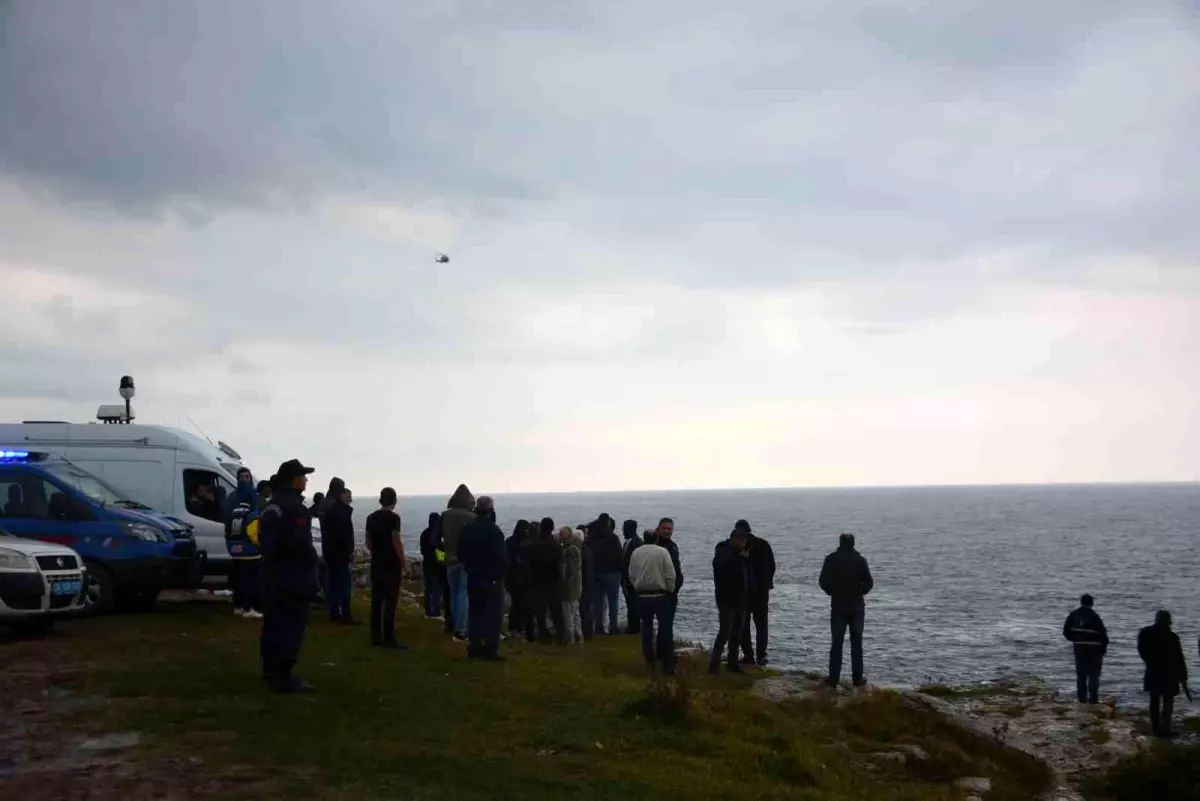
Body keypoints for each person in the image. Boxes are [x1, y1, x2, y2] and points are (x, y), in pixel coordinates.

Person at [258, 459, 319, 693]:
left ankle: (269, 669)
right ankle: (283, 676)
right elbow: (301, 546)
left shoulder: (271, 506)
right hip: (292, 576)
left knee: (273, 624)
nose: (306, 479)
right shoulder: (296, 508)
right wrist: (312, 574)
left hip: (272, 573)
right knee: (291, 626)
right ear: (293, 479)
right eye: (303, 475)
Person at [819, 533, 874, 688]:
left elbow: (823, 581)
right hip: (856, 606)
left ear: (840, 543)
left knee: (837, 643)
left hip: (838, 606)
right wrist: (859, 592)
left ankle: (833, 678)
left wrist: (832, 592)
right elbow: (869, 582)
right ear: (853, 543)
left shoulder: (831, 559)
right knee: (857, 644)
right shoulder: (860, 560)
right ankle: (857, 678)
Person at [457, 496, 507, 660]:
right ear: (491, 510)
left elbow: (460, 553)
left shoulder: (467, 529)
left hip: (473, 576)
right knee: (493, 614)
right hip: (491, 578)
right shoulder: (494, 531)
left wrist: (469, 567)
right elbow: (501, 556)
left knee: (475, 612)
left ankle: (475, 646)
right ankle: (490, 650)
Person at [629, 527, 678, 676]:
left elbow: (631, 574)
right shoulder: (662, 552)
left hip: (642, 595)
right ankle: (666, 661)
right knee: (665, 629)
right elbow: (670, 574)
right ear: (656, 538)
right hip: (660, 595)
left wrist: (637, 587)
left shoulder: (636, 552)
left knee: (647, 628)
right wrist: (670, 590)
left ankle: (649, 659)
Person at [1137, 610, 1191, 738]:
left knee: (1154, 701)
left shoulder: (1145, 633)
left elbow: (1141, 650)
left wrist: (1149, 662)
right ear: (1168, 622)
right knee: (1168, 702)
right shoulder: (1172, 637)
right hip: (1169, 674)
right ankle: (1165, 729)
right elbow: (1179, 659)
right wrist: (1183, 677)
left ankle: (1156, 729)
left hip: (1153, 671)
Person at [365, 487, 406, 649]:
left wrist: (376, 552)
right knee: (390, 601)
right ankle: (388, 637)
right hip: (391, 564)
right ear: (394, 501)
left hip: (377, 562)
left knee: (376, 600)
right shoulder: (394, 518)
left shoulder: (371, 518)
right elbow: (395, 540)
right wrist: (402, 560)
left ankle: (375, 636)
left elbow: (368, 541)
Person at [710, 524, 750, 674]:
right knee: (724, 633)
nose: (743, 544)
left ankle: (732, 663)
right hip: (726, 599)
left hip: (740, 598)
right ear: (735, 539)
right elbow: (721, 569)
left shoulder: (739, 553)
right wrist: (737, 556)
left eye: (744, 541)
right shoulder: (723, 551)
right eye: (741, 540)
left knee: (737, 633)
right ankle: (713, 665)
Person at [223, 467, 262, 618]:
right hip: (248, 545)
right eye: (242, 477)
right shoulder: (244, 498)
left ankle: (239, 606)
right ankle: (246, 607)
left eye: (247, 477)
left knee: (240, 578)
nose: (245, 480)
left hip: (236, 545)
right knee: (248, 578)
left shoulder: (236, 501)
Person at [440, 484, 476, 642]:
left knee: (454, 594)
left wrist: (442, 557)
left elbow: (435, 540)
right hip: (466, 560)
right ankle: (461, 629)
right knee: (463, 594)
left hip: (449, 559)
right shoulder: (471, 518)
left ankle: (455, 626)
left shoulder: (444, 516)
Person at [738, 520, 776, 667]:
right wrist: (766, 584)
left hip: (745, 592)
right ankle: (761, 656)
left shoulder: (738, 546)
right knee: (761, 625)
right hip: (761, 592)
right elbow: (772, 566)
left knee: (744, 624)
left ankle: (748, 656)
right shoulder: (763, 545)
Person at [318, 478, 356, 624]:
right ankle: (345, 612)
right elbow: (343, 532)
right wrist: (349, 551)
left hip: (327, 547)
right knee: (344, 581)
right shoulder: (337, 507)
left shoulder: (323, 504)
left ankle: (334, 610)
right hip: (339, 550)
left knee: (332, 581)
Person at [1062, 594, 1109, 704]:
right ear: (1092, 603)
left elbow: (1066, 632)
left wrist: (1076, 640)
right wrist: (1103, 649)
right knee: (1094, 674)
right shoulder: (1095, 616)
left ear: (1081, 602)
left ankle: (1082, 699)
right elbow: (1103, 636)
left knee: (1081, 675)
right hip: (1095, 650)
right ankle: (1093, 699)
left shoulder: (1073, 615)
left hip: (1079, 648)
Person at [526, 517, 566, 644]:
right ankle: (561, 635)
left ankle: (542, 635)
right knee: (556, 610)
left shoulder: (533, 545)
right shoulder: (556, 545)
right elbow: (560, 564)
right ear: (552, 528)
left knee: (540, 611)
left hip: (537, 580)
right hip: (553, 581)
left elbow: (529, 563)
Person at [588, 514, 624, 635]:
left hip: (596, 572)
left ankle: (599, 627)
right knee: (613, 602)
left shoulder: (592, 538)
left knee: (597, 602)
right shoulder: (613, 538)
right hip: (612, 573)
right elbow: (620, 556)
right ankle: (613, 626)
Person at [505, 520, 534, 641]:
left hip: (512, 578)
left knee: (516, 605)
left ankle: (515, 628)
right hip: (521, 578)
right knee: (522, 605)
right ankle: (520, 629)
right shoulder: (526, 543)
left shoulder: (509, 541)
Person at [560, 527, 585, 645]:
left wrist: (564, 581)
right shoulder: (576, 549)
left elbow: (568, 571)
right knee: (575, 612)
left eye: (562, 535)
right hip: (577, 586)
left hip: (569, 587)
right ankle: (579, 635)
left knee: (568, 613)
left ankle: (570, 637)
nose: (560, 537)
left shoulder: (568, 551)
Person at [418, 512, 443, 620]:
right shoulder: (436, 534)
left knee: (429, 589)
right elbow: (440, 549)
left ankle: (428, 611)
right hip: (436, 564)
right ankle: (435, 613)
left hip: (427, 563)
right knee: (436, 589)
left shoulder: (424, 533)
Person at [621, 520, 642, 635]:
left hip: (633, 579)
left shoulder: (636, 543)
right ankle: (633, 625)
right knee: (631, 603)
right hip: (628, 579)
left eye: (624, 528)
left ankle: (635, 627)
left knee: (633, 603)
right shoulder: (629, 542)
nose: (623, 531)